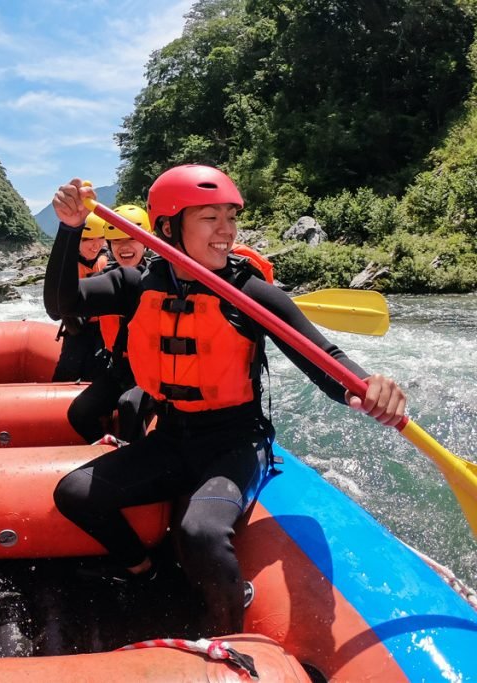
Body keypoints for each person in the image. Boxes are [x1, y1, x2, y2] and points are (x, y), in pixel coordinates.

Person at [45, 165, 406, 635]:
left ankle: (228, 637)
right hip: (172, 437)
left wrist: (365, 388)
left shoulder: (249, 292)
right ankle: (143, 571)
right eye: (210, 218)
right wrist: (69, 230)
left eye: (231, 218)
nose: (227, 231)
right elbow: (62, 304)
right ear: (168, 227)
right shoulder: (136, 284)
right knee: (74, 493)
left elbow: (323, 359)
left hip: (236, 443)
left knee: (200, 533)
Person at [66, 205, 153, 443]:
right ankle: (107, 446)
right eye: (116, 241)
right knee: (79, 412)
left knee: (129, 405)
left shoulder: (160, 279)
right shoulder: (107, 279)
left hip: (154, 369)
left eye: (131, 239)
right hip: (120, 367)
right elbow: (68, 304)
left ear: (146, 241)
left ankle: (135, 456)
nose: (124, 247)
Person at [50, 213, 110, 382]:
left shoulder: (109, 261)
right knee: (67, 370)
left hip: (104, 328)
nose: (95, 245)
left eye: (100, 238)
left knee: (99, 370)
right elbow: (53, 309)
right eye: (88, 239)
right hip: (76, 327)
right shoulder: (66, 264)